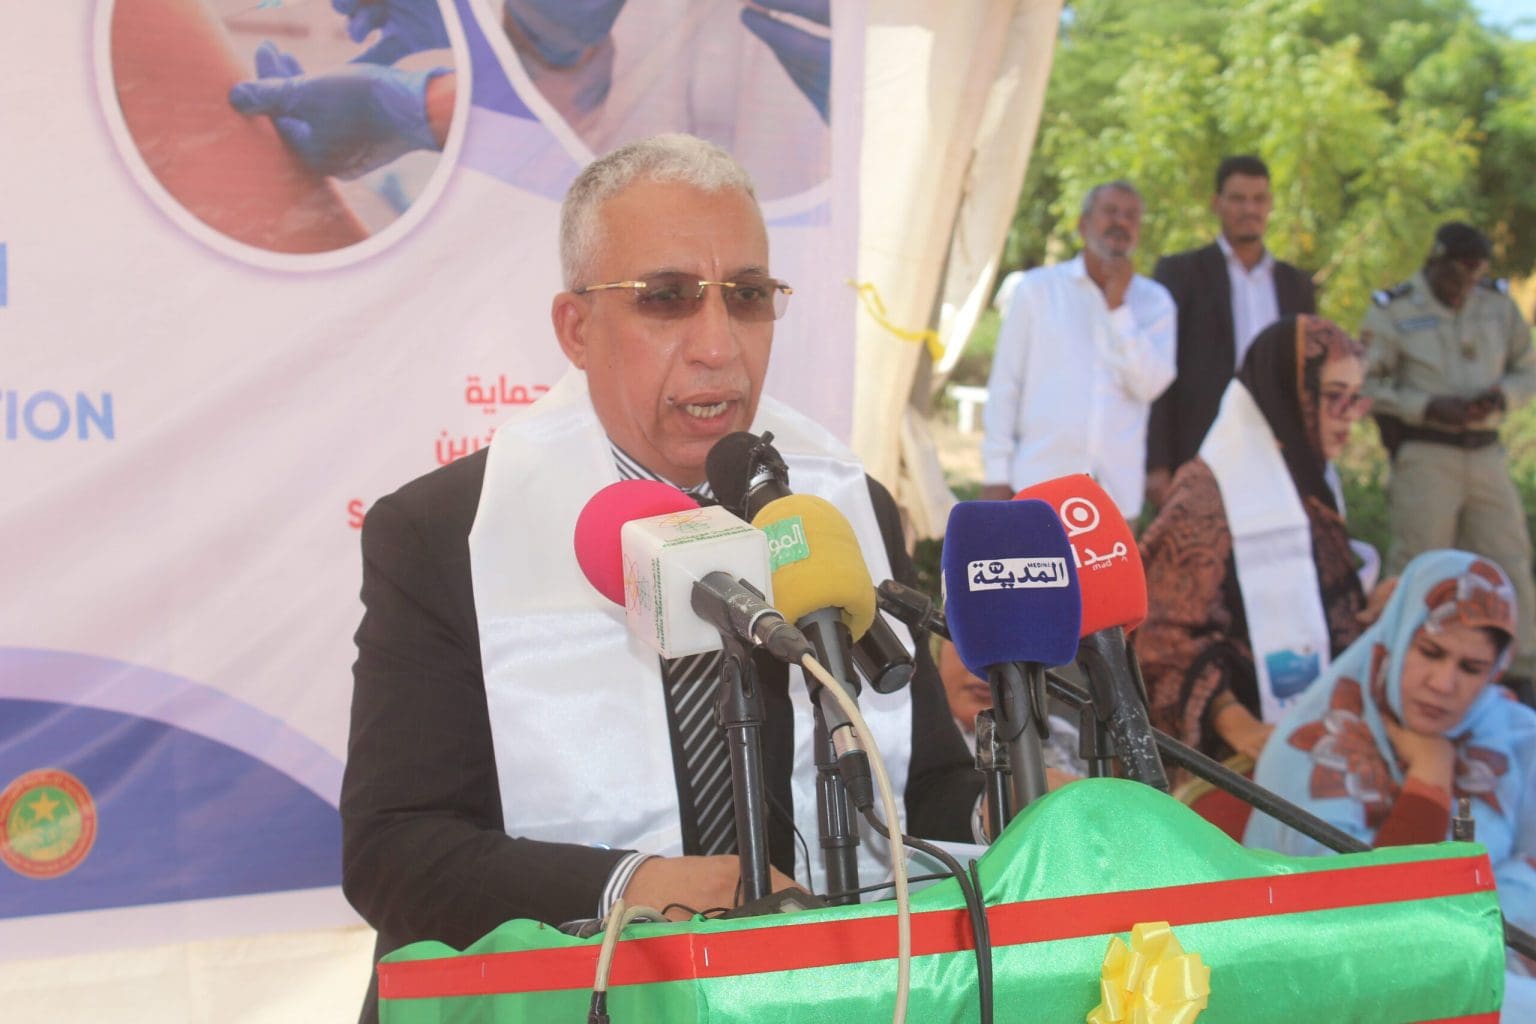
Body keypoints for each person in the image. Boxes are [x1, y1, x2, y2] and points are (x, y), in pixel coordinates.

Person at [339, 134, 982, 1022]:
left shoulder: (839, 507)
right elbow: (395, 853)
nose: (719, 346)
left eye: (747, 297)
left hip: (824, 996)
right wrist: (632, 886)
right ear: (576, 329)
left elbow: (923, 791)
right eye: (667, 298)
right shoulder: (448, 534)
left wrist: (1014, 809)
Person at [1242, 550, 1536, 1007]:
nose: (1443, 684)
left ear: (1495, 671)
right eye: (1431, 652)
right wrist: (1430, 781)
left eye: (1471, 668)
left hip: (1484, 973)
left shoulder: (1511, 735)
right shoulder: (1310, 752)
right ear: (1395, 637)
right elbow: (1372, 927)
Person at [1137, 315, 1382, 764]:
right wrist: (1234, 722)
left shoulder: (1309, 475)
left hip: (1319, 729)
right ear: (1288, 393)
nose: (1349, 416)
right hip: (1233, 754)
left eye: (1355, 398)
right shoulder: (1207, 492)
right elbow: (1157, 630)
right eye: (1333, 397)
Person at [1362, 221, 1536, 685]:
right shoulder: (1395, 309)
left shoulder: (1497, 305)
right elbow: (1365, 384)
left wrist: (1500, 398)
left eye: (1477, 274)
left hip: (1486, 452)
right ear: (1435, 263)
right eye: (1459, 273)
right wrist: (1426, 406)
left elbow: (1528, 368)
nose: (1467, 285)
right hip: (1427, 452)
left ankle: (1519, 675)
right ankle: (1397, 667)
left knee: (1509, 561)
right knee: (1420, 565)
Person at [979, 181, 1175, 518]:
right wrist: (996, 474)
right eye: (1110, 212)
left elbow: (1150, 385)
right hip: (1039, 486)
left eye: (1131, 216)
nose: (1121, 222)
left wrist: (1118, 309)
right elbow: (1006, 385)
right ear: (1083, 225)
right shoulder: (1037, 290)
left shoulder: (1154, 302)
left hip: (1115, 497)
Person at [1145, 155, 1318, 509]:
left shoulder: (1295, 285)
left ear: (1270, 204)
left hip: (1277, 451)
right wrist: (1156, 463)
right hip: (1200, 449)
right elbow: (1157, 370)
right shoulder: (1181, 273)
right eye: (1238, 198)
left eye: (1258, 199)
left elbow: (1309, 375)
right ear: (1217, 203)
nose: (1249, 209)